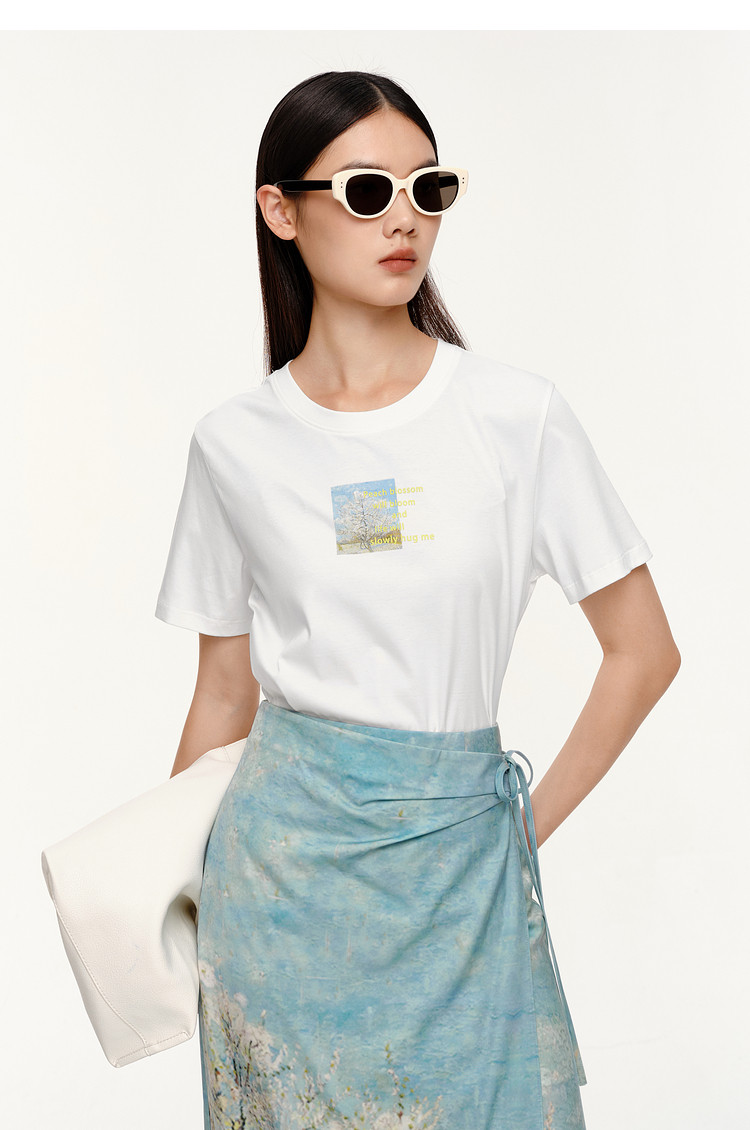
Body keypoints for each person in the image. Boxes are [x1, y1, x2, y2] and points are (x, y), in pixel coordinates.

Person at [154, 70, 680, 1130]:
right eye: (366, 191)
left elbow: (644, 650)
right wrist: (167, 889)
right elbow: (223, 693)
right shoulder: (234, 443)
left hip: (463, 879)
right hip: (277, 886)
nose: (404, 218)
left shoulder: (515, 415)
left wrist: (517, 831)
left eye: (427, 189)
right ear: (280, 211)